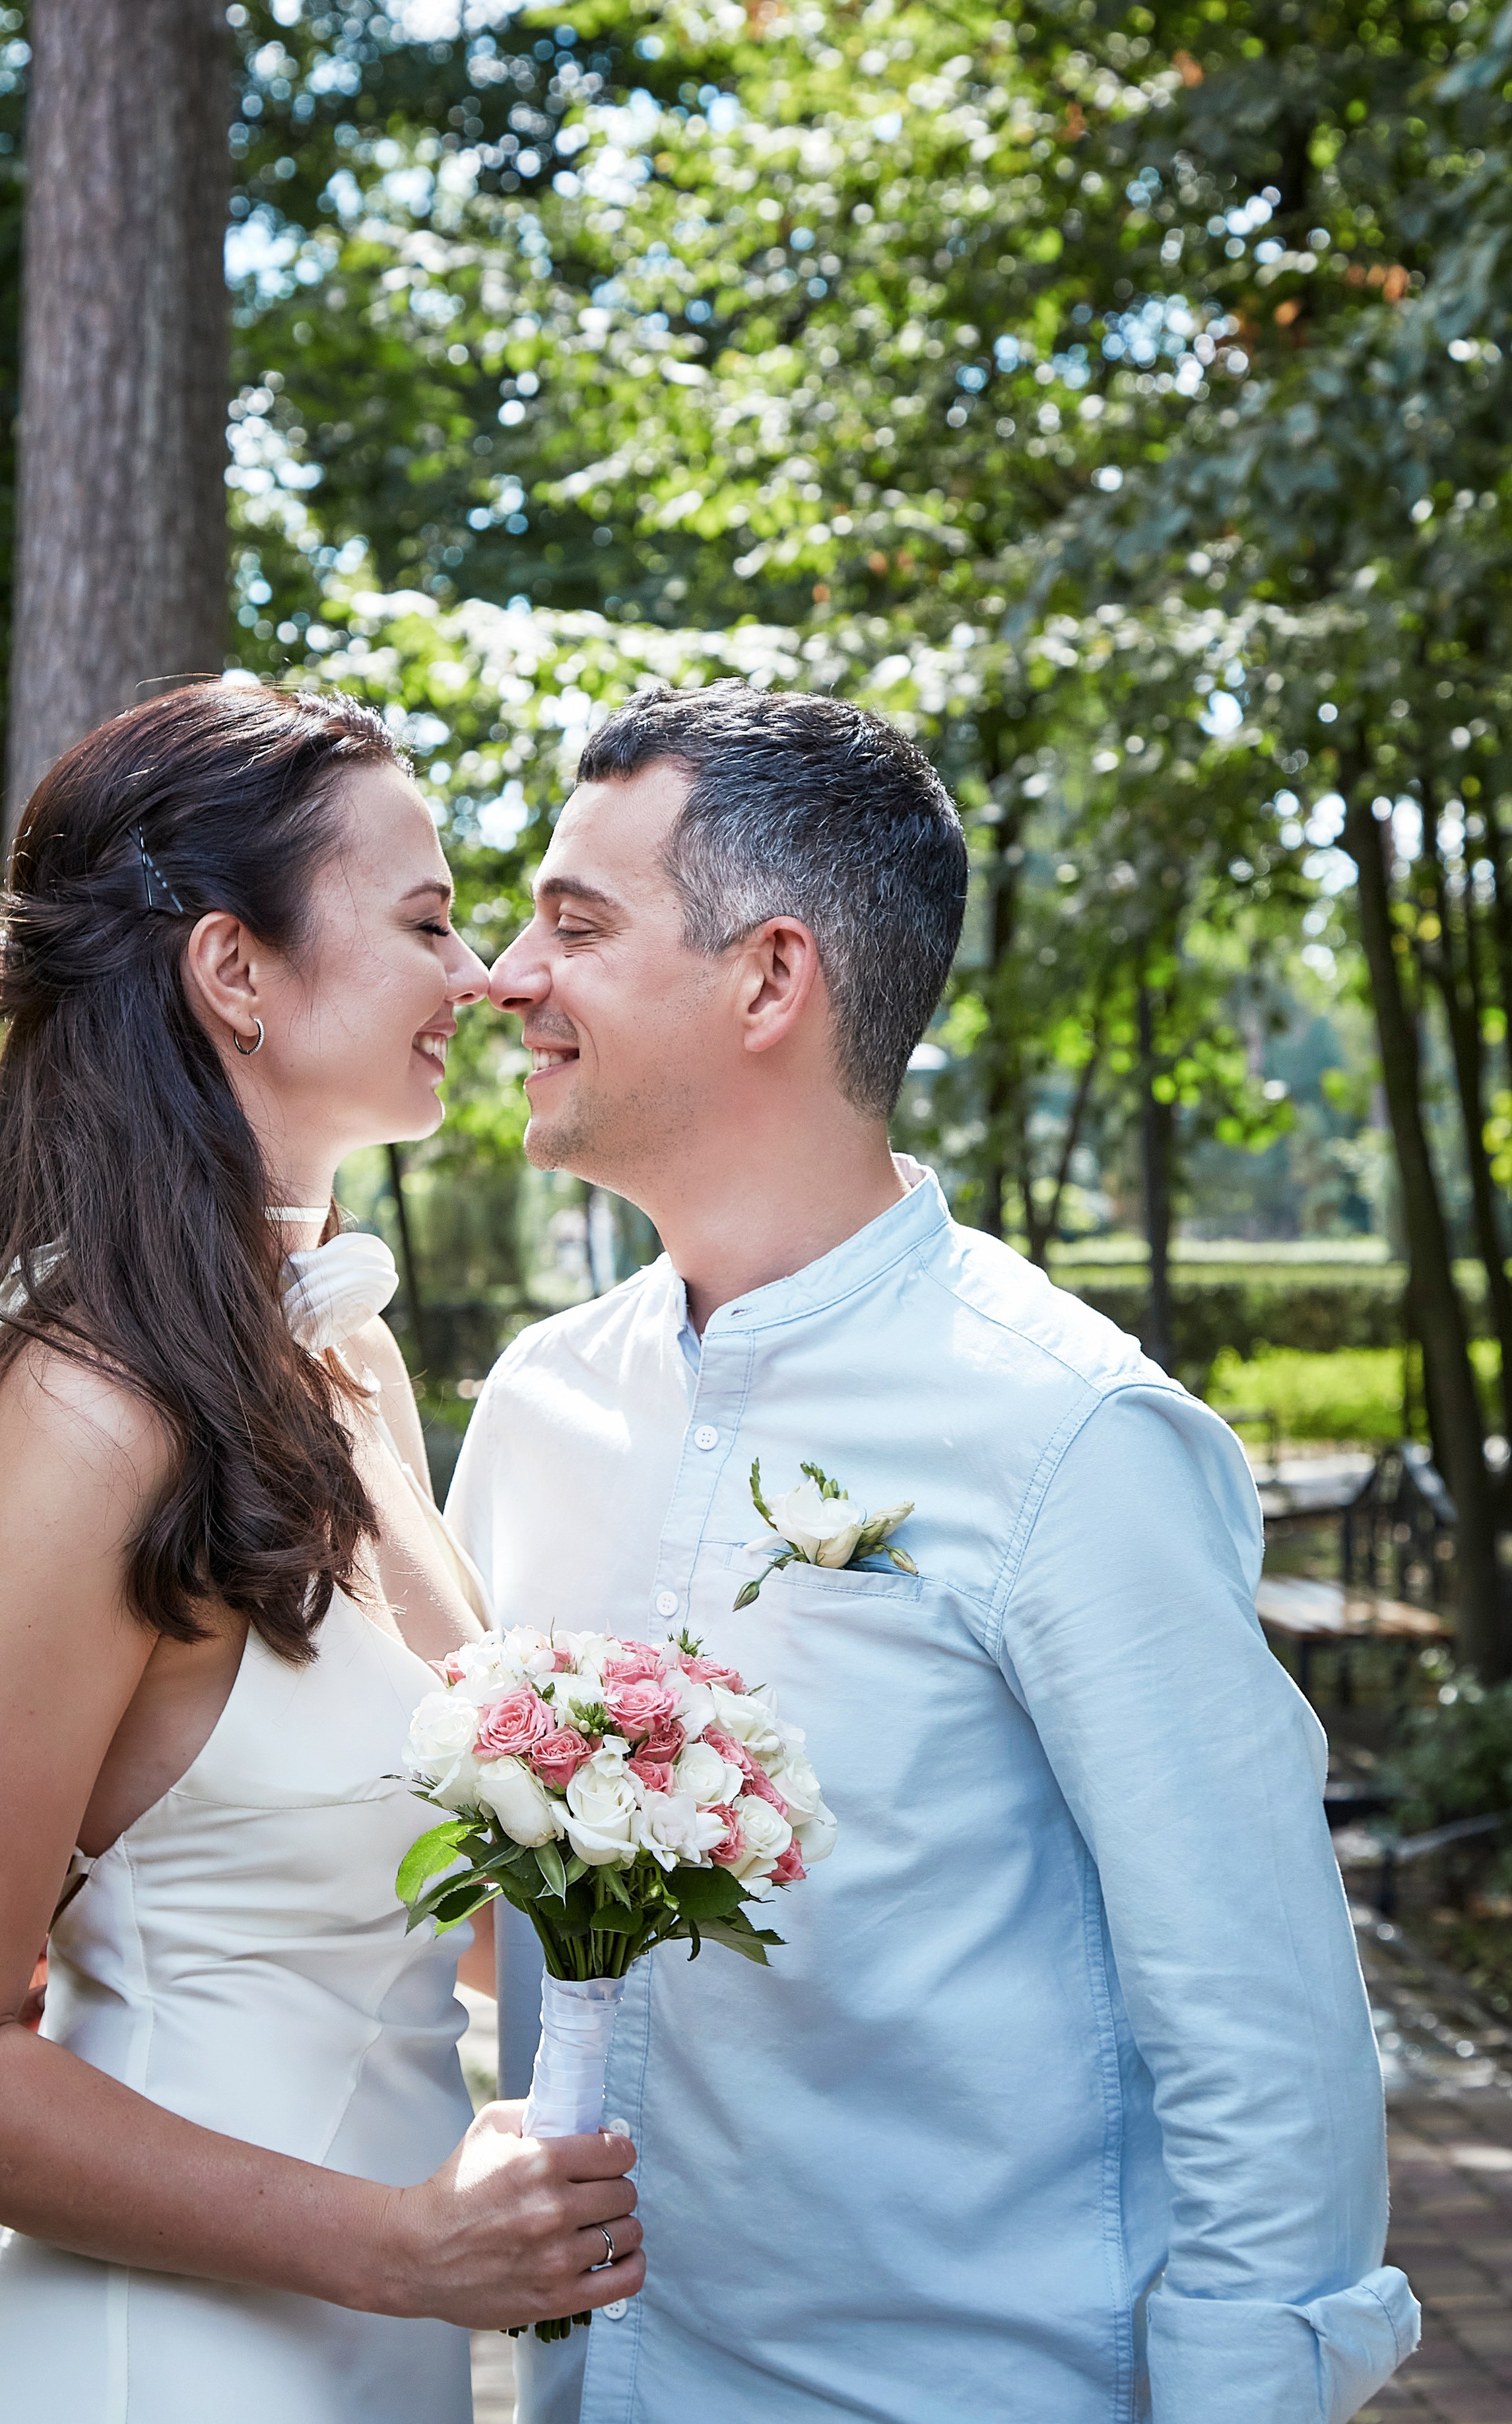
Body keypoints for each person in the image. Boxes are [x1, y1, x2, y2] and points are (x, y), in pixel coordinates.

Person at [445, 680, 1420, 2424]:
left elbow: (1264, 2054)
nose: (505, 976)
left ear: (771, 976)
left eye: (575, 924)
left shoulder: (1072, 1440)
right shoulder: (537, 1409)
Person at [0, 685, 641, 2424]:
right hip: (163, 2367)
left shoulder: (335, 1346)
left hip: (370, 2363)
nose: (484, 971)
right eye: (428, 921)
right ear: (235, 969)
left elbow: (451, 1896)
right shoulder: (97, 1411)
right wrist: (400, 2247)